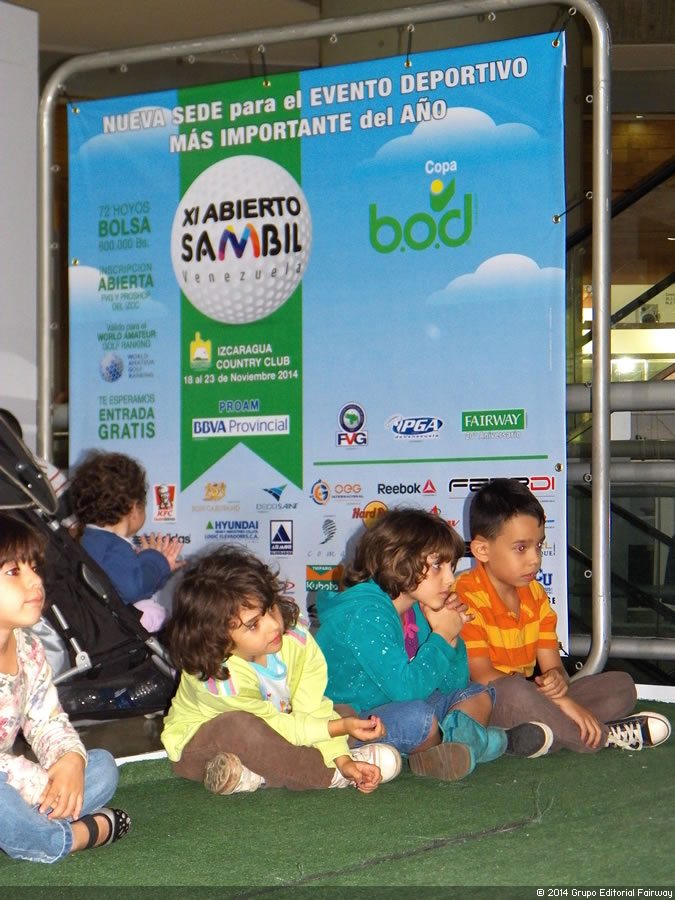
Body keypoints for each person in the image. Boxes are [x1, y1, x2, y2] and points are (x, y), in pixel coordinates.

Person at [315, 508, 553, 783]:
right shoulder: (364, 612)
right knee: (420, 718)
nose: (450, 579)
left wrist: (452, 637)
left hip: (399, 706)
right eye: (438, 566)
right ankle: (493, 742)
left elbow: (453, 684)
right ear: (398, 561)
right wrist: (441, 636)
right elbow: (405, 691)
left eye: (451, 567)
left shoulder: (416, 606)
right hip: (353, 720)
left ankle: (449, 752)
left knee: (477, 694)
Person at [161, 545, 402, 795]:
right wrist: (339, 734)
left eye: (270, 608)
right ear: (218, 639)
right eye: (253, 625)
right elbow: (277, 728)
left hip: (276, 733)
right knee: (240, 728)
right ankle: (329, 775)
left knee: (343, 712)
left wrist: (341, 756)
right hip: (199, 750)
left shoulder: (296, 640)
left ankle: (252, 775)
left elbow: (311, 708)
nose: (274, 625)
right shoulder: (219, 680)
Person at [456, 478, 672, 754]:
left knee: (622, 685)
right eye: (521, 548)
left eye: (539, 546)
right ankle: (604, 737)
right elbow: (483, 677)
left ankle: (532, 737)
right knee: (513, 691)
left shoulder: (535, 595)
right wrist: (563, 703)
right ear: (482, 550)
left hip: (531, 702)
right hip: (485, 704)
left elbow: (555, 669)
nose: (535, 559)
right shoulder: (464, 595)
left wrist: (557, 680)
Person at [0, 513, 130, 863]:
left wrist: (69, 761)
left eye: (34, 568)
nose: (35, 581)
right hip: (7, 783)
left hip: (12, 783)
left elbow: (47, 721)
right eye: (13, 572)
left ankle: (25, 828)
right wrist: (38, 784)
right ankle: (69, 837)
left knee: (101, 767)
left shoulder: (28, 648)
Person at [69, 451, 183, 633]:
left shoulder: (89, 541)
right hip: (114, 632)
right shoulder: (112, 547)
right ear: (133, 507)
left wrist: (158, 567)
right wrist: (156, 560)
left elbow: (134, 586)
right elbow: (133, 590)